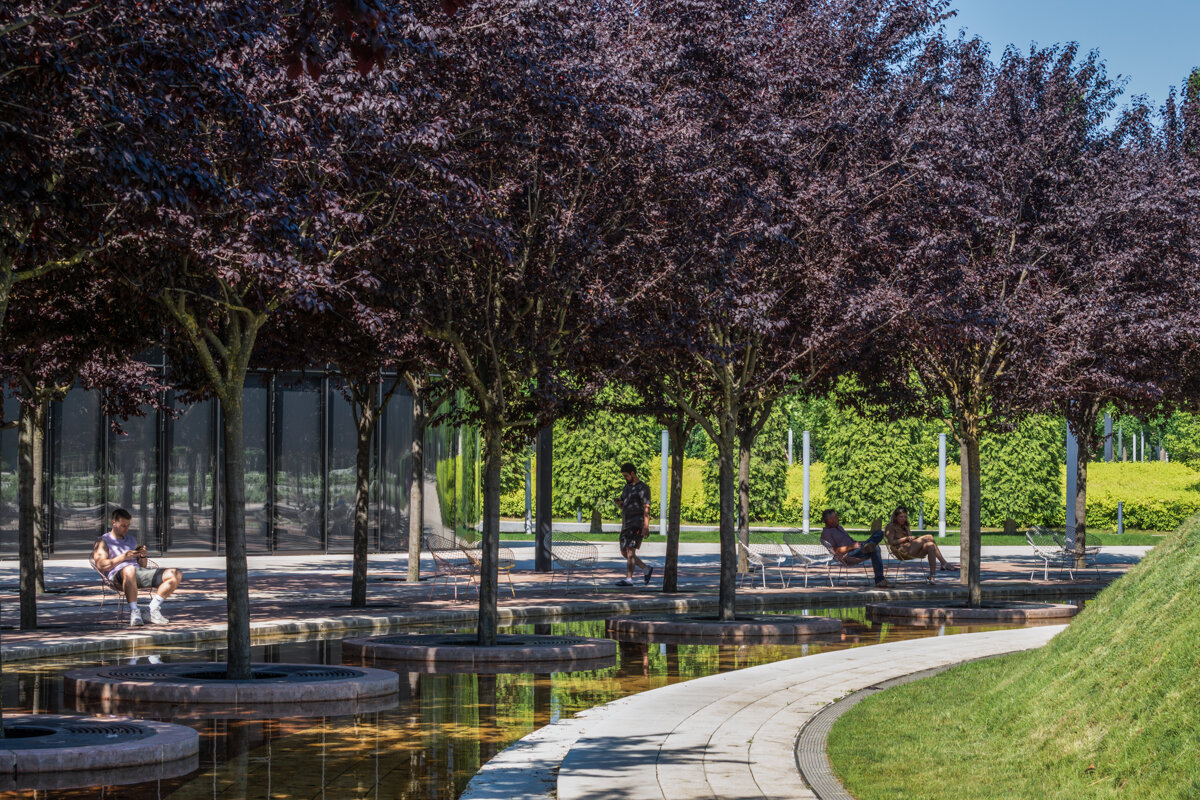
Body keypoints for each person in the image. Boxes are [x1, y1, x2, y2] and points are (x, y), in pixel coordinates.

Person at [92, 508, 184, 626]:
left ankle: (151, 610)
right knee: (129, 569)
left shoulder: (131, 539)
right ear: (113, 523)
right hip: (117, 578)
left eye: (128, 525)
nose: (126, 529)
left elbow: (143, 566)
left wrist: (142, 556)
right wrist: (123, 557)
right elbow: (101, 565)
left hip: (138, 572)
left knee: (176, 573)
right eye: (123, 525)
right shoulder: (103, 541)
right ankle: (134, 612)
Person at [820, 509, 890, 588]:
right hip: (848, 555)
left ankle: (869, 543)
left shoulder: (839, 528)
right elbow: (835, 550)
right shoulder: (826, 533)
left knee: (879, 534)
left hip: (856, 549)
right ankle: (879, 580)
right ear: (829, 520)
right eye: (836, 517)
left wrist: (858, 544)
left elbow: (851, 541)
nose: (838, 518)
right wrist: (852, 547)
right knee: (875, 547)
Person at [884, 505, 955, 582]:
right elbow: (891, 542)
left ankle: (932, 576)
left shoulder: (905, 525)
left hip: (910, 548)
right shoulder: (890, 526)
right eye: (901, 517)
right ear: (895, 517)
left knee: (930, 545)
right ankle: (944, 563)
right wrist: (905, 538)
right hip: (900, 551)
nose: (904, 519)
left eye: (905, 517)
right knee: (929, 536)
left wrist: (913, 538)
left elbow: (909, 539)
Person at [613, 462, 653, 586]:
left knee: (630, 551)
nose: (625, 478)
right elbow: (623, 504)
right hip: (626, 524)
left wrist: (645, 527)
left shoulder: (643, 488)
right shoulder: (627, 487)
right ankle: (646, 569)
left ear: (633, 473)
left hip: (637, 524)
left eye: (626, 476)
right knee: (624, 552)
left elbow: (646, 508)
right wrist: (619, 503)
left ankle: (629, 579)